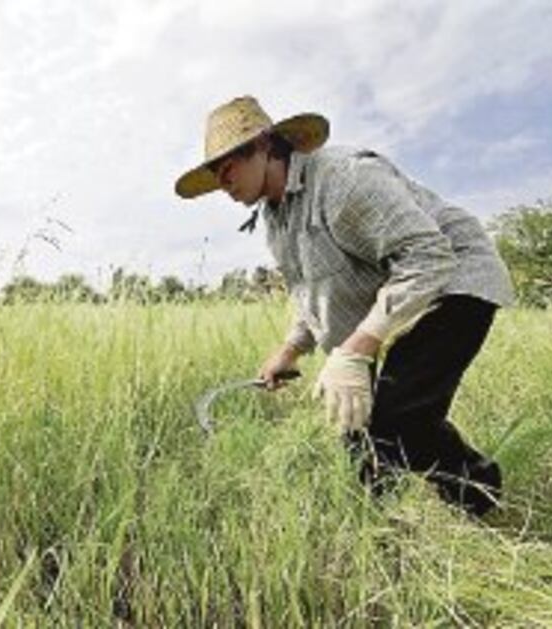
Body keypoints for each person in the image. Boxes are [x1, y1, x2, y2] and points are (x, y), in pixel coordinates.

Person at [175, 95, 514, 517]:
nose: (224, 186)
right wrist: (290, 349)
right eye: (216, 177)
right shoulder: (276, 219)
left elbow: (428, 257)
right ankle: (377, 525)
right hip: (396, 293)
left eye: (228, 170)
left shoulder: (343, 178)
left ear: (264, 145)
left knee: (399, 415)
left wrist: (356, 349)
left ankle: (480, 497)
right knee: (355, 427)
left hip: (456, 279)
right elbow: (311, 291)